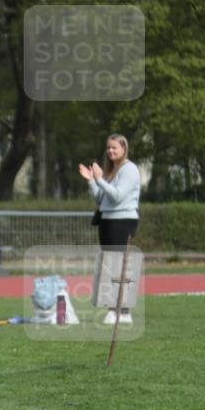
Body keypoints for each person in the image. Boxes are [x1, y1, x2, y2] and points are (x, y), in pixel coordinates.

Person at [79, 133, 140, 324]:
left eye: (115, 147)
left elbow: (117, 196)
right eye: (108, 148)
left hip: (122, 221)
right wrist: (91, 180)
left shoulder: (130, 169)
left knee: (120, 266)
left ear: (124, 149)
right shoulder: (111, 170)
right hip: (107, 220)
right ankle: (114, 309)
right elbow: (101, 199)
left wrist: (100, 179)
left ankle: (123, 311)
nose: (111, 151)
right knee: (110, 266)